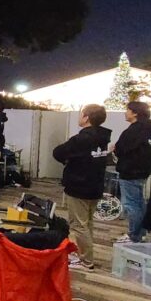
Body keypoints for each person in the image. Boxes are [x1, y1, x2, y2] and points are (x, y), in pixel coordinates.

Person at [53, 104, 111, 272]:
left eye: (81, 114)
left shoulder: (81, 139)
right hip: (95, 186)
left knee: (78, 225)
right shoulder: (103, 137)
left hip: (79, 186)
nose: (80, 117)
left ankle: (86, 261)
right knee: (87, 223)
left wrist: (68, 160)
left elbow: (58, 152)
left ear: (86, 118)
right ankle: (84, 254)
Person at [112, 101, 151, 244]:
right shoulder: (148, 131)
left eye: (128, 110)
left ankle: (134, 236)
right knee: (139, 203)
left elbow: (121, 149)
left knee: (131, 205)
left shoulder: (133, 131)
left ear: (135, 113)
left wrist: (115, 148)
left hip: (130, 172)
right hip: (142, 172)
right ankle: (140, 233)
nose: (125, 113)